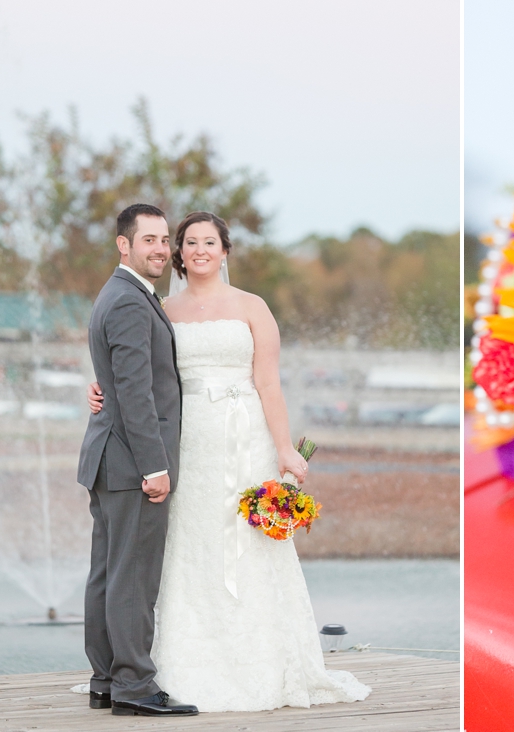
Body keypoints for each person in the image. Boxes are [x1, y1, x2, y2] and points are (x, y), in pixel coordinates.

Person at [85, 208, 370, 713]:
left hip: (244, 438)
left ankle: (252, 658)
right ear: (177, 252)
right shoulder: (161, 306)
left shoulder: (252, 307)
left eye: (208, 242)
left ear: (225, 250)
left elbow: (269, 384)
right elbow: (138, 370)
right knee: (182, 546)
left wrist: (284, 449)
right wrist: (100, 389)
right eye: (188, 242)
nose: (198, 250)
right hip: (183, 442)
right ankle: (159, 666)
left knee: (244, 541)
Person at [77, 203, 198, 716]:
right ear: (124, 245)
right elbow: (133, 390)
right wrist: (155, 466)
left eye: (164, 239)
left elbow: (120, 379)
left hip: (109, 458)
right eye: (149, 239)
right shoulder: (129, 300)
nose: (161, 249)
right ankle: (134, 685)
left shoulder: (122, 294)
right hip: (131, 463)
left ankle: (105, 679)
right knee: (133, 575)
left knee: (108, 571)